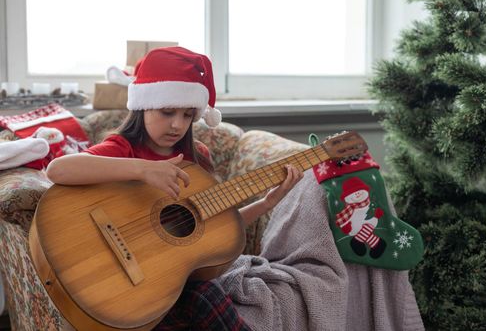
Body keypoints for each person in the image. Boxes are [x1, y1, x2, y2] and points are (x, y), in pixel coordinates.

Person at [46, 46, 303, 330]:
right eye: (167, 112)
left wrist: (265, 203)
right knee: (203, 298)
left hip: (166, 287)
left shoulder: (197, 158)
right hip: (123, 284)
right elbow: (58, 169)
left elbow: (209, 239)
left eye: (188, 115)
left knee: (204, 296)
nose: (177, 124)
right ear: (144, 105)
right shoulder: (124, 149)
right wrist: (142, 169)